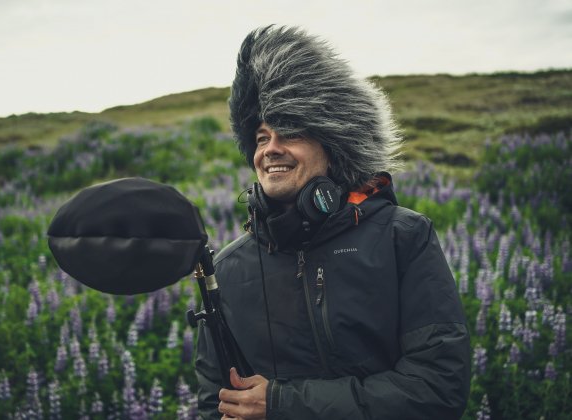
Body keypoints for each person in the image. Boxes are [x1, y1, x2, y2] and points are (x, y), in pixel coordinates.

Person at [195, 25, 470, 419]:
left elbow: (438, 389)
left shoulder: (401, 236)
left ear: (334, 144)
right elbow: (213, 404)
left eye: (290, 131)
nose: (271, 149)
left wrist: (281, 404)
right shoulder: (226, 268)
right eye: (260, 137)